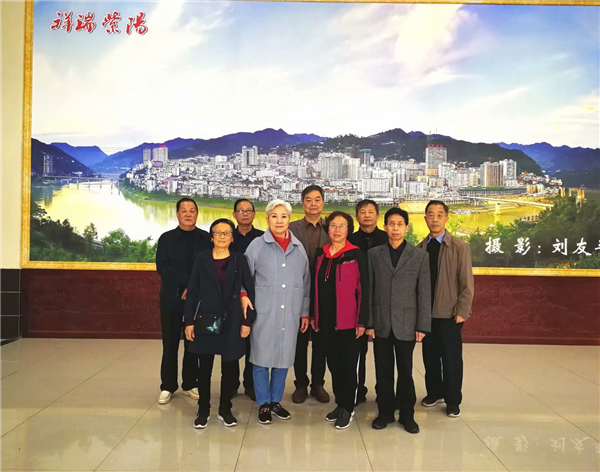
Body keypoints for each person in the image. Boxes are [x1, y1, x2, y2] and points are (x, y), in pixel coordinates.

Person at [184, 219, 256, 429]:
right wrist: (189, 321)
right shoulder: (202, 259)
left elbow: (249, 290)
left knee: (230, 367)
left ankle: (225, 409)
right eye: (218, 232)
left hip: (232, 321)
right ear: (211, 236)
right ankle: (203, 409)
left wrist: (247, 321)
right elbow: (193, 292)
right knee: (204, 368)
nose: (222, 236)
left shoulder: (239, 259)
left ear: (232, 238)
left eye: (227, 233)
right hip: (206, 320)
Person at [244, 199, 311, 424]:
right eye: (274, 216)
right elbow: (244, 279)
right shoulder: (256, 246)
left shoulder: (298, 248)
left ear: (289, 219)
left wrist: (304, 312)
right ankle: (263, 403)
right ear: (267, 219)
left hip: (290, 313)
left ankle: (275, 401)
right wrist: (244, 299)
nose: (279, 221)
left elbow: (305, 284)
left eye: (283, 216)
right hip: (263, 313)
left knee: (283, 359)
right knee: (261, 359)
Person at [367, 208, 431, 433]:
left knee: (405, 371)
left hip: (407, 322)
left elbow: (424, 292)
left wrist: (422, 325)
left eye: (399, 224)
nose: (395, 228)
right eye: (391, 224)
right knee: (383, 371)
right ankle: (384, 413)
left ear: (406, 227)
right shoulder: (374, 254)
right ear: (385, 227)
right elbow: (369, 289)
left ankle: (407, 414)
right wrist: (369, 322)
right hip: (381, 322)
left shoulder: (420, 256)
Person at [311, 211, 370, 430]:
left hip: (349, 323)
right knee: (334, 366)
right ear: (328, 229)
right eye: (333, 226)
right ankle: (339, 404)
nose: (337, 230)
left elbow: (364, 289)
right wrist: (314, 315)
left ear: (349, 230)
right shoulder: (321, 254)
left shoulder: (356, 255)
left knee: (348, 367)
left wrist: (362, 321)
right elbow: (314, 287)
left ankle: (348, 408)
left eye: (342, 226)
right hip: (325, 322)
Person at [417, 200, 474, 418]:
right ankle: (434, 392)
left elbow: (467, 284)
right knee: (430, 357)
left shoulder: (459, 247)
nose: (435, 219)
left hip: (450, 313)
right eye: (430, 215)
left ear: (446, 219)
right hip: (426, 314)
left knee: (451, 359)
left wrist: (462, 311)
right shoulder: (420, 249)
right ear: (425, 218)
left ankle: (453, 400)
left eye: (439, 215)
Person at [155, 197, 211, 405]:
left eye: (192, 210)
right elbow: (163, 267)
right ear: (177, 214)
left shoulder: (206, 239)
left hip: (197, 301)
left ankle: (189, 383)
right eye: (184, 211)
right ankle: (167, 386)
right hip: (171, 298)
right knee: (170, 344)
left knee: (193, 343)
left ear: (197, 214)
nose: (188, 214)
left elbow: (208, 266)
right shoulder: (166, 239)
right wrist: (188, 283)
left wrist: (193, 288)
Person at [288, 185, 330, 404]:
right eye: (308, 200)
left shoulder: (332, 227)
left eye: (317, 199)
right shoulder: (291, 228)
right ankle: (301, 384)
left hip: (325, 293)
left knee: (321, 342)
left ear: (323, 202)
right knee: (299, 342)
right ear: (302, 202)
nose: (313, 204)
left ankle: (318, 384)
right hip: (298, 291)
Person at [348, 199, 388, 404]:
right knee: (357, 352)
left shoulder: (387, 238)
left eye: (371, 212)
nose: (367, 215)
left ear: (378, 216)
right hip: (356, 303)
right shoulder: (350, 240)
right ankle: (357, 390)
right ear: (356, 217)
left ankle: (384, 393)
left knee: (384, 351)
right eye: (362, 212)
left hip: (383, 301)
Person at [230, 198, 264, 401]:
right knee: (231, 341)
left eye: (248, 210)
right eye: (241, 210)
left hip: (254, 295)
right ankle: (231, 384)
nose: (245, 214)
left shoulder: (262, 238)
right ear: (234, 214)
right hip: (229, 296)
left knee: (254, 342)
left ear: (254, 214)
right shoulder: (227, 236)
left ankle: (251, 385)